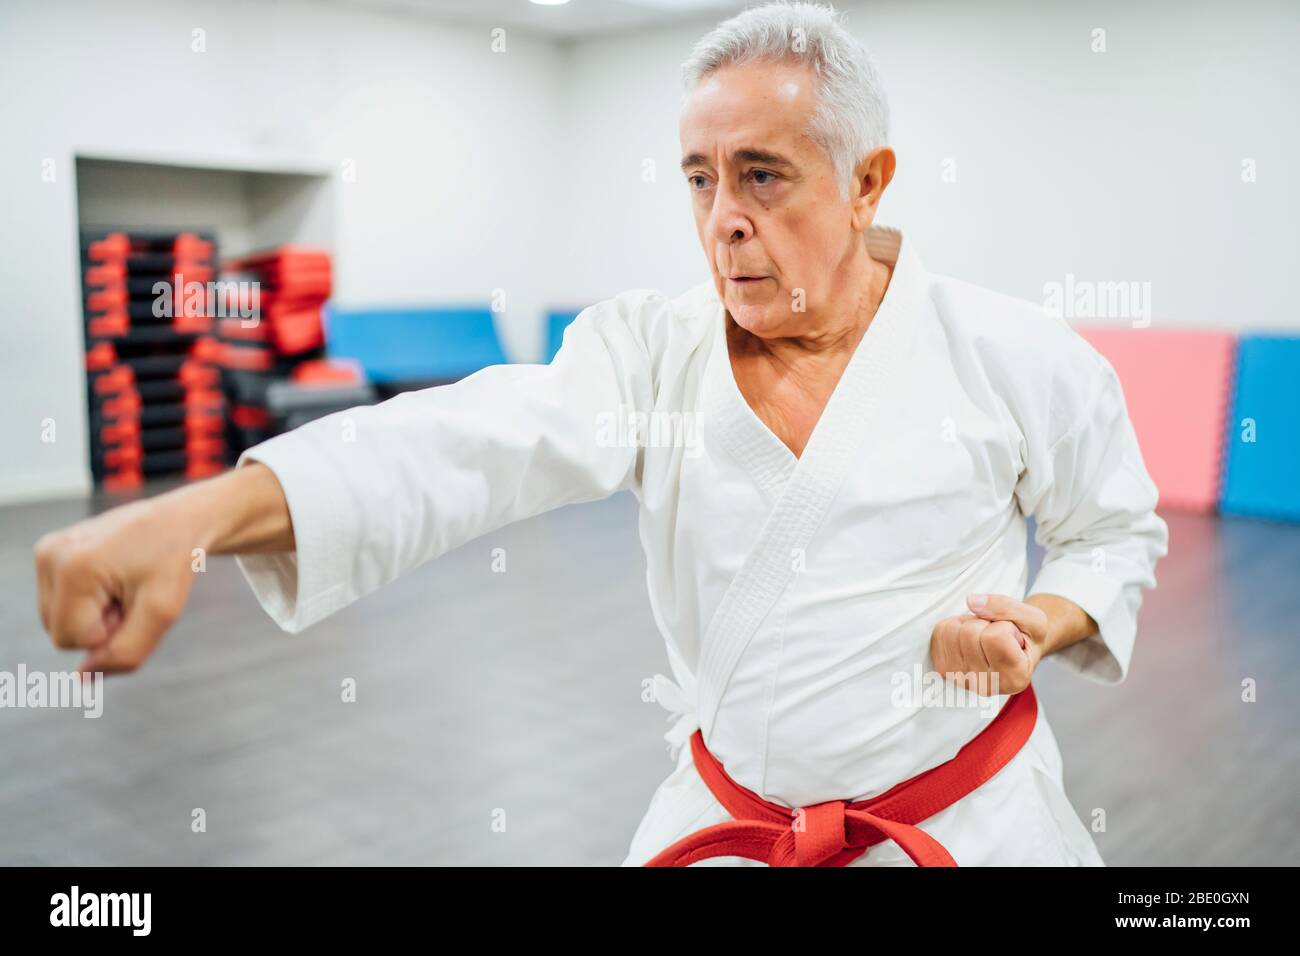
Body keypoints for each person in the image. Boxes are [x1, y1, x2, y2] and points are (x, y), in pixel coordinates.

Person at [33, 1, 1168, 866]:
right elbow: (458, 443)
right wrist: (195, 515)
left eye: (762, 176)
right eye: (698, 177)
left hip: (965, 824)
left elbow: (1112, 530)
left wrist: (1043, 615)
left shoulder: (1013, 354)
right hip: (732, 822)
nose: (722, 218)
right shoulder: (651, 353)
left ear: (866, 181)